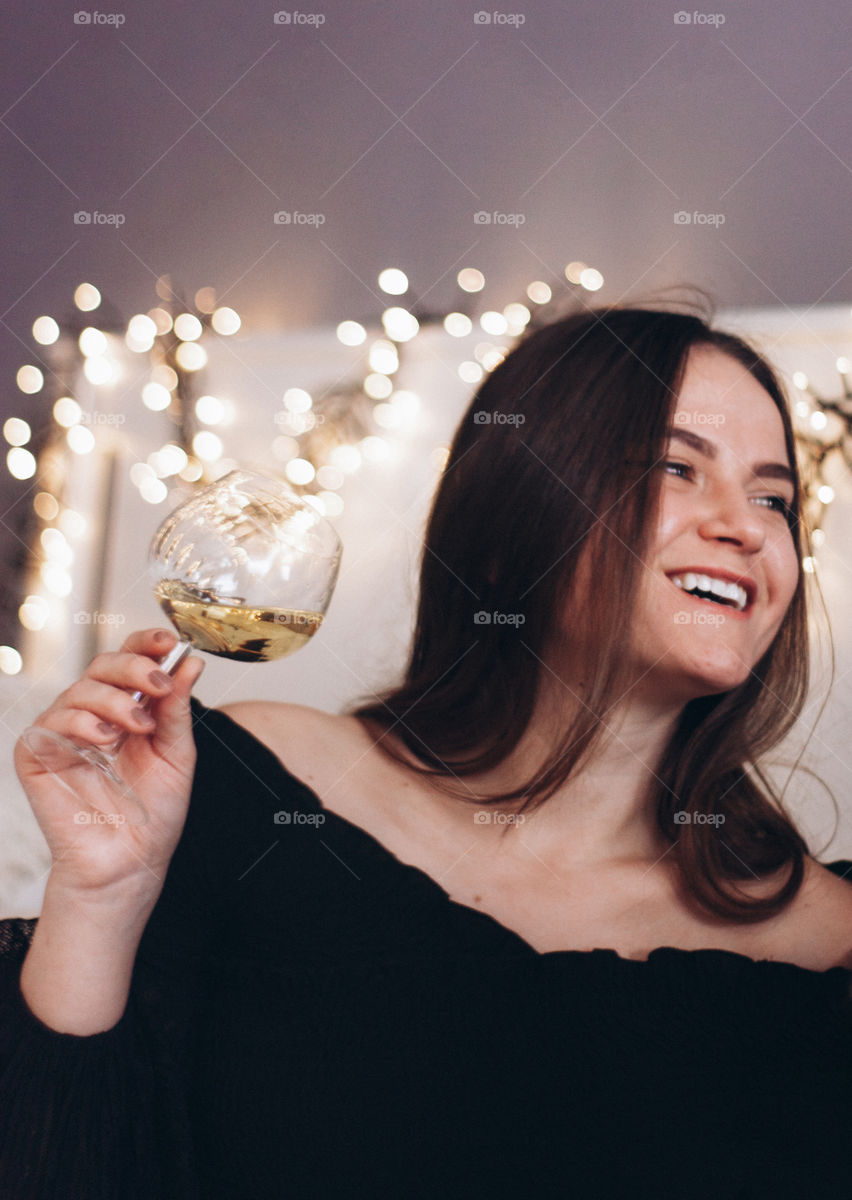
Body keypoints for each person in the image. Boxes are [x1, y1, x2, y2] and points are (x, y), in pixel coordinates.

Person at [1, 303, 851, 1199]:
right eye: (678, 468)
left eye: (774, 499)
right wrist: (101, 899)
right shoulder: (255, 790)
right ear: (504, 530)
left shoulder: (828, 944)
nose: (746, 527)